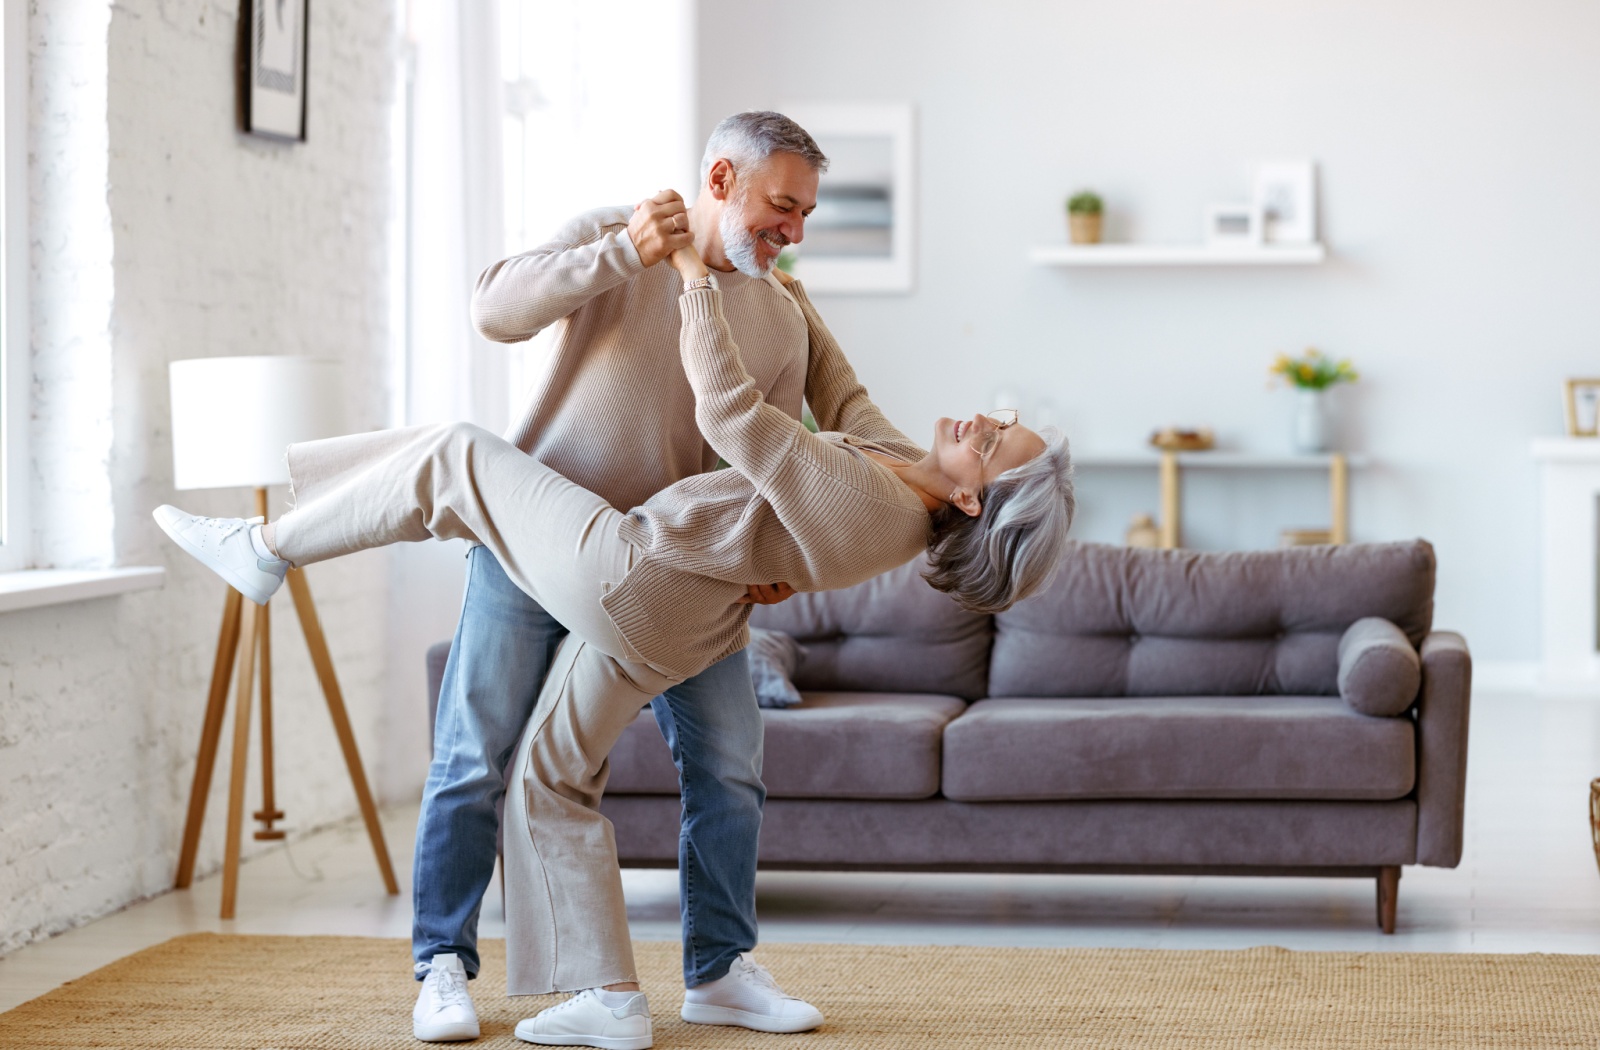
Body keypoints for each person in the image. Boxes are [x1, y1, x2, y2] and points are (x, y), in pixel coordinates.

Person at [153, 245, 1077, 1050]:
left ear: (971, 502)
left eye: (994, 444)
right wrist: (794, 301)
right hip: (685, 607)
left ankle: (268, 547)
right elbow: (844, 392)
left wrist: (688, 278)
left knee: (456, 457)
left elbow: (733, 417)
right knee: (548, 774)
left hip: (633, 573)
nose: (980, 423)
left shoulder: (873, 506)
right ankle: (611, 995)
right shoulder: (899, 471)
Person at [437, 111, 839, 1042]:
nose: (795, 231)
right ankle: (443, 967)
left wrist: (768, 555)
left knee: (731, 766)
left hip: (676, 575)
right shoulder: (613, 234)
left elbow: (768, 462)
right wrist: (620, 253)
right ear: (720, 180)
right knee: (474, 757)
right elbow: (494, 311)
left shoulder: (779, 315)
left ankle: (720, 971)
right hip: (533, 548)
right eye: (783, 205)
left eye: (807, 213)